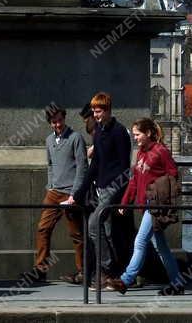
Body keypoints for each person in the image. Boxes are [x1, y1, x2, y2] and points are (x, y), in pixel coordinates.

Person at [106, 119, 185, 296]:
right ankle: (177, 283)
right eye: (134, 134)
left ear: (148, 133)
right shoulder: (141, 153)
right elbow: (134, 181)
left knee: (140, 241)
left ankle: (125, 280)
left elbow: (173, 174)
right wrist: (125, 202)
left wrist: (160, 190)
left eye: (137, 134)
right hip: (147, 205)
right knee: (161, 246)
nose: (135, 138)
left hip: (155, 205)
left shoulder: (161, 151)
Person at [61, 92, 131, 291]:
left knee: (94, 225)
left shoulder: (119, 132)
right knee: (104, 231)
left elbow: (125, 167)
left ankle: (106, 270)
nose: (95, 115)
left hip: (112, 188)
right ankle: (108, 272)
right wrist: (78, 194)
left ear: (108, 110)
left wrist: (118, 194)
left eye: (98, 111)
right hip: (100, 188)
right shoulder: (99, 131)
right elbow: (95, 165)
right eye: (93, 111)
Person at [22, 103, 87, 285]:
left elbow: (82, 167)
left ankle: (83, 271)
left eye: (59, 120)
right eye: (53, 122)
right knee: (43, 228)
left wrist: (74, 194)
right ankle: (40, 270)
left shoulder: (75, 138)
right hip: (54, 192)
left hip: (70, 193)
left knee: (76, 234)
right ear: (49, 123)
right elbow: (50, 165)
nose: (57, 124)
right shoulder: (49, 140)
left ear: (64, 119)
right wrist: (50, 186)